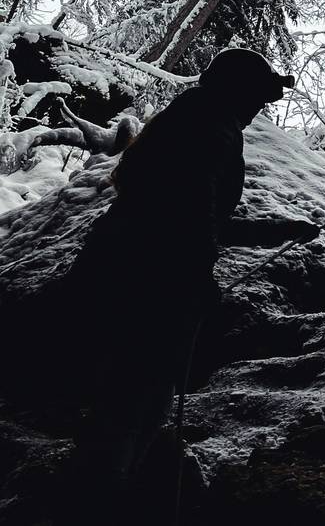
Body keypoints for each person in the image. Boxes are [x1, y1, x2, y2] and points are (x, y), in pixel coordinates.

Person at [64, 48, 301, 522]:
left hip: (121, 266)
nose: (260, 108)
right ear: (239, 93)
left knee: (126, 392)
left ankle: (105, 486)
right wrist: (195, 278)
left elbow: (191, 211)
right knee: (138, 392)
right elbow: (188, 218)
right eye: (259, 97)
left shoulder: (190, 117)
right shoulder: (211, 129)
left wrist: (275, 230)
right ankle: (104, 500)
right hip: (149, 281)